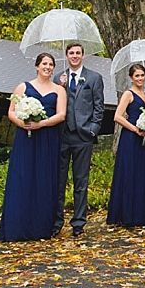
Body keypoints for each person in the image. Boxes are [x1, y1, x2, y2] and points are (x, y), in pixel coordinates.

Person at [0, 53, 68, 241]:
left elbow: (61, 115)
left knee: (44, 178)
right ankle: (17, 225)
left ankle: (41, 226)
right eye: (44, 64)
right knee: (23, 177)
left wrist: (42, 124)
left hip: (48, 138)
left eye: (51, 64)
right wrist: (21, 123)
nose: (48, 67)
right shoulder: (23, 87)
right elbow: (11, 112)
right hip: (26, 138)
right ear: (37, 66)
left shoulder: (59, 90)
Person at [52, 42, 105, 238]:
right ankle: (57, 221)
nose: (74, 56)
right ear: (66, 55)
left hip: (84, 136)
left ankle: (79, 222)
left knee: (81, 181)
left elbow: (99, 107)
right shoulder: (59, 78)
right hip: (62, 135)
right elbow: (55, 102)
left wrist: (93, 129)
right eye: (71, 53)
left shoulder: (94, 77)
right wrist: (61, 87)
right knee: (59, 180)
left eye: (78, 53)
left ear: (83, 56)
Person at [107, 64, 145, 227]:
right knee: (130, 173)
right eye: (137, 76)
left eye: (142, 75)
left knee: (144, 175)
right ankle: (127, 214)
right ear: (131, 78)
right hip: (130, 138)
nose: (140, 78)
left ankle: (143, 213)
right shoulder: (128, 94)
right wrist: (135, 129)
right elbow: (117, 117)